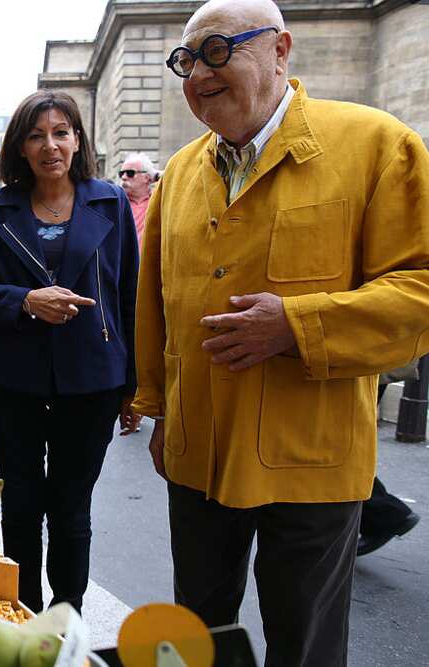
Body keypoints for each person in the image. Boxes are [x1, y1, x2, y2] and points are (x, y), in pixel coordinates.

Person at [132, 0, 429, 664]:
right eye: (187, 60)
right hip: (197, 449)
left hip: (311, 458)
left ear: (280, 50)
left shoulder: (377, 144)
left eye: (218, 51)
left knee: (305, 644)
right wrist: (156, 410)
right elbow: (154, 305)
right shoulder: (179, 172)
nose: (199, 74)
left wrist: (297, 325)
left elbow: (420, 291)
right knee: (196, 638)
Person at [0, 90, 140, 614]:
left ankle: (67, 615)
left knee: (71, 509)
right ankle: (23, 611)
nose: (49, 145)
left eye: (60, 132)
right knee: (20, 504)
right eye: (35, 135)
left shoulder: (109, 202)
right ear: (19, 147)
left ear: (78, 140)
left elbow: (129, 296)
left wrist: (134, 384)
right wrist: (26, 300)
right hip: (12, 380)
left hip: (93, 380)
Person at [360, 365, 422, 556]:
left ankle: (385, 514)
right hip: (364, 364)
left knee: (330, 448)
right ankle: (384, 514)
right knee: (332, 447)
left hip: (361, 365)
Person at [118, 152, 158, 248]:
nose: (124, 177)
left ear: (147, 178)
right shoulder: (117, 203)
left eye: (130, 173)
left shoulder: (158, 202)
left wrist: (156, 175)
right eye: (121, 173)